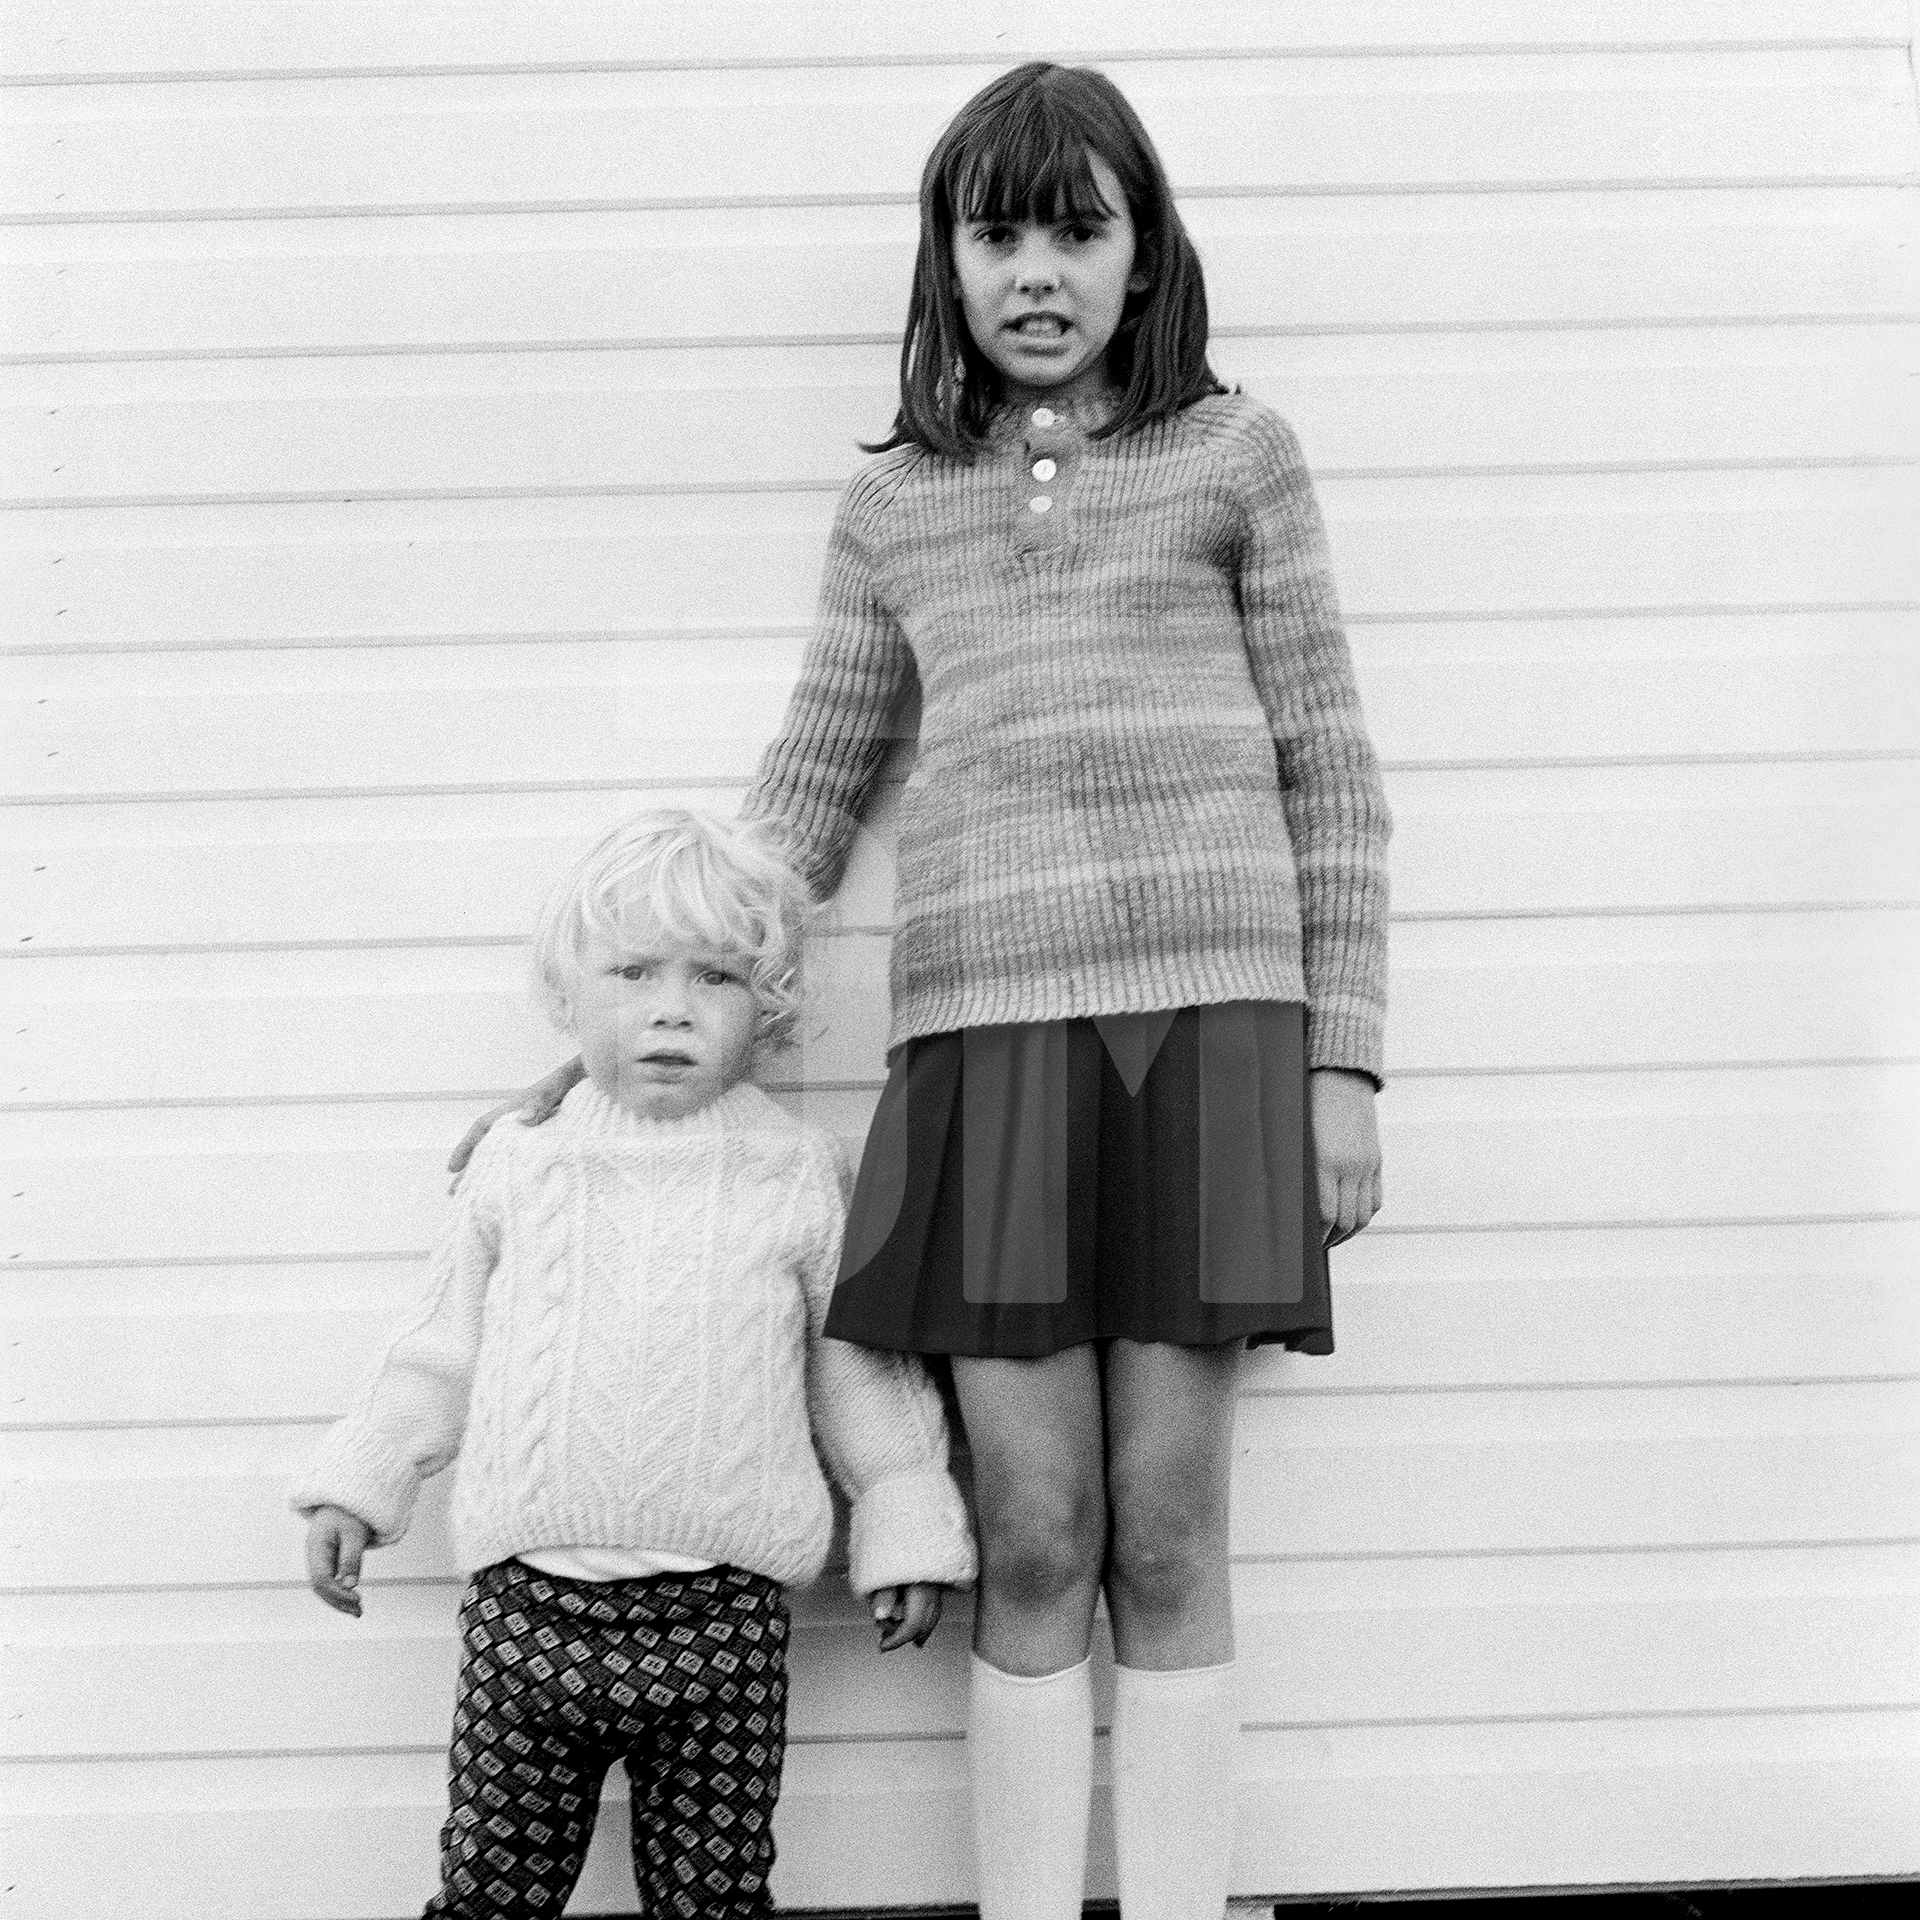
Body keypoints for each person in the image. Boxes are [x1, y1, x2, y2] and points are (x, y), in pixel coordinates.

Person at [451, 59, 1389, 1920]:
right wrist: (628, 1037)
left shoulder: (1239, 458)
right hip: (989, 1056)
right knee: (1033, 1533)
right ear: (947, 264)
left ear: (1145, 252)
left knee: (1174, 1532)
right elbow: (812, 780)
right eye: (997, 231)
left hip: (1214, 1045)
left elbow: (1331, 769)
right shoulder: (896, 509)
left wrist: (1342, 1066)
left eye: (1078, 227)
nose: (1037, 267)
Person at [297, 808, 975, 1920]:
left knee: (712, 1900)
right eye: (633, 974)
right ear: (571, 999)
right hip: (529, 1621)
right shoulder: (522, 1165)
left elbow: (856, 1369)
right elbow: (439, 1345)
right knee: (490, 1891)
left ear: (770, 1005)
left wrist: (905, 1516)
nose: (671, 1005)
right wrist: (361, 1484)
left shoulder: (795, 1171)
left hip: (726, 1626)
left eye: (715, 977)